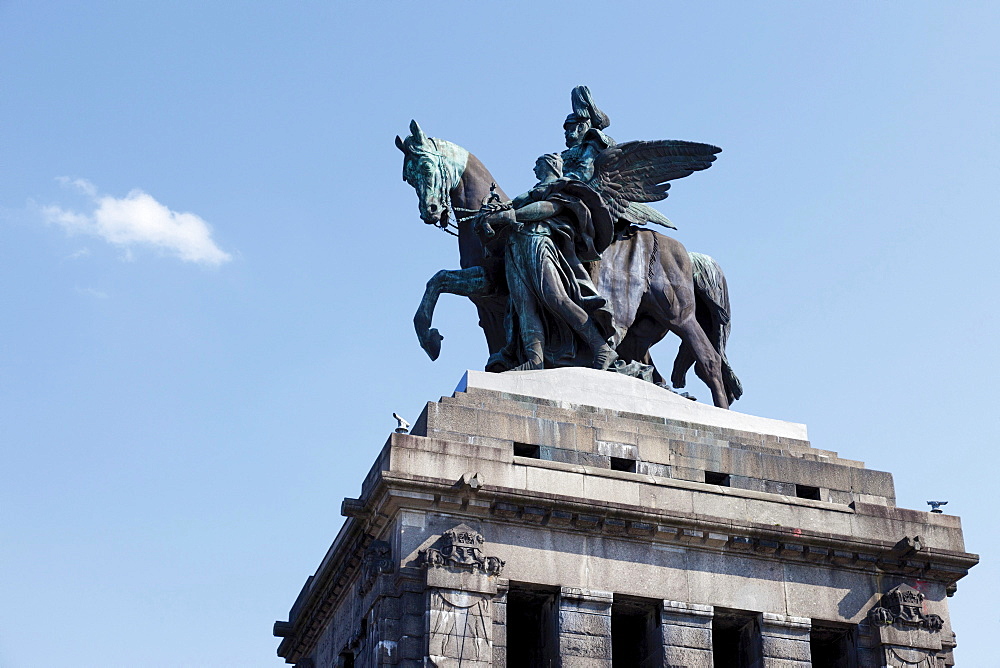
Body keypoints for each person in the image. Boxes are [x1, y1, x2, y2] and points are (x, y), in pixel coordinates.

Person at [483, 153, 617, 372]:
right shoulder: (528, 194)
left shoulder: (561, 187)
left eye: (537, 165)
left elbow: (549, 208)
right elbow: (508, 209)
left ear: (548, 165)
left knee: (555, 297)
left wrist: (511, 215)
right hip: (516, 247)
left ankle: (601, 348)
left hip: (538, 242)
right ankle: (535, 360)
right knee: (524, 306)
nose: (534, 169)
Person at [560, 85, 616, 181]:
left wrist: (557, 183)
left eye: (569, 129)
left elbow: (585, 172)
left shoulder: (593, 143)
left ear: (580, 127)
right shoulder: (564, 154)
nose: (566, 133)